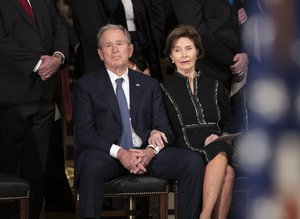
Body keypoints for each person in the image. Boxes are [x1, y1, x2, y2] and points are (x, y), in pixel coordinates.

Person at [72, 24, 205, 219]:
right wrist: (121, 153)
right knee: (91, 165)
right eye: (108, 45)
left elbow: (164, 129)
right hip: (108, 155)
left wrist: (151, 151)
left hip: (145, 153)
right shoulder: (86, 85)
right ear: (100, 54)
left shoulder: (149, 84)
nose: (115, 49)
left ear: (130, 49)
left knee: (192, 162)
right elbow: (85, 135)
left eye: (120, 43)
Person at [0, 0, 68, 218]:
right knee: (8, 172)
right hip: (10, 99)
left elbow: (59, 26)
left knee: (37, 173)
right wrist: (37, 64)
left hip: (44, 98)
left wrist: (58, 58)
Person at [161, 25, 235, 219]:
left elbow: (228, 122)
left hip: (217, 139)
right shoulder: (163, 89)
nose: (184, 55)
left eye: (189, 48)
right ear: (171, 56)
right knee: (226, 169)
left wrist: (221, 136)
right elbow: (165, 127)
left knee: (223, 161)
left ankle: (204, 215)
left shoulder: (216, 85)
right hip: (186, 143)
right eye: (177, 50)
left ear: (197, 52)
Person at [171, 0, 249, 131]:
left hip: (240, 64)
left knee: (243, 130)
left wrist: (245, 53)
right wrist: (234, 60)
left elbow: (236, 13)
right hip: (210, 70)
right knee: (217, 134)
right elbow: (197, 34)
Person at [72, 0, 165, 81]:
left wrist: (151, 65)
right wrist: (133, 68)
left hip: (142, 53)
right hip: (102, 64)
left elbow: (156, 21)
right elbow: (94, 34)